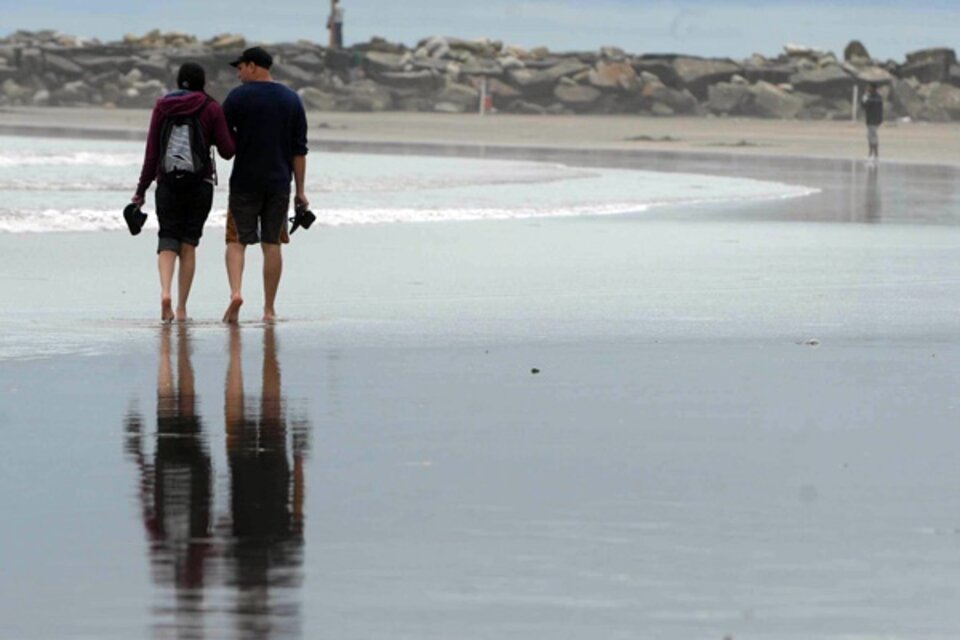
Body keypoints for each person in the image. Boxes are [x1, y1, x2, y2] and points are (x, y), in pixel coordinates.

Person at [133, 62, 235, 323]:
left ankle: (165, 293)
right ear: (202, 82)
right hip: (199, 184)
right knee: (188, 244)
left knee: (167, 238)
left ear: (179, 81)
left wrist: (141, 191)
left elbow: (152, 153)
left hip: (167, 183)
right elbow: (227, 151)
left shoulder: (162, 106)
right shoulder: (211, 107)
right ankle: (181, 309)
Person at [221, 47, 309, 324]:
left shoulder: (237, 98)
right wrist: (301, 191)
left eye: (240, 67)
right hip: (279, 181)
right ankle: (269, 309)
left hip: (244, 181)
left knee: (236, 241)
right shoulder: (291, 99)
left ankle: (236, 293)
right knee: (272, 244)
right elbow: (299, 150)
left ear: (253, 66)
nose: (238, 73)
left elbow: (224, 142)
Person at [861, 83, 883, 162]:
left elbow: (865, 106)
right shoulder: (878, 97)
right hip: (874, 119)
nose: (868, 89)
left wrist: (864, 98)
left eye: (869, 88)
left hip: (872, 120)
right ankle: (872, 154)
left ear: (873, 89)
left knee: (872, 137)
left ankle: (874, 154)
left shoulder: (872, 98)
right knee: (870, 136)